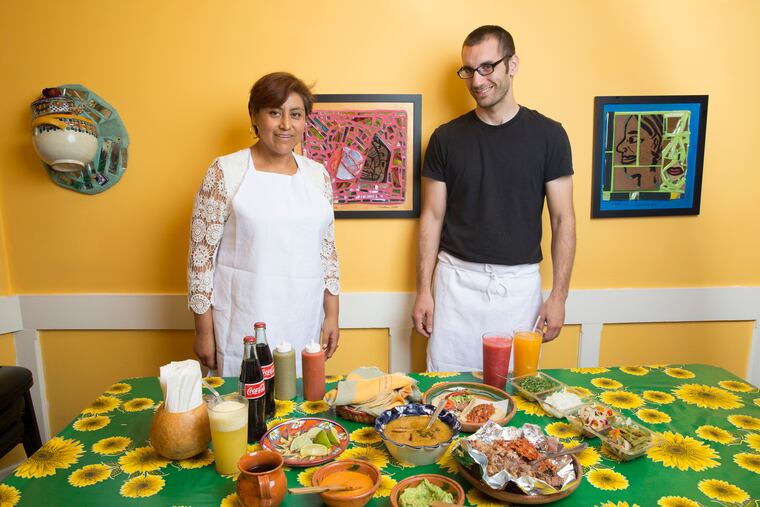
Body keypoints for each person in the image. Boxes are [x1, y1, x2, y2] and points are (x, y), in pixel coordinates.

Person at [412, 25, 576, 372]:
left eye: (487, 67)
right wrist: (423, 290)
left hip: (519, 289)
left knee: (515, 396)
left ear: (512, 65)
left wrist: (559, 296)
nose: (476, 80)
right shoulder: (445, 139)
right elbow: (431, 217)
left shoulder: (550, 136)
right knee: (446, 395)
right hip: (455, 284)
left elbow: (563, 219)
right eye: (468, 70)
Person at [187, 72, 340, 376]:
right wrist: (203, 332)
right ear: (255, 117)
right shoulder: (225, 172)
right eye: (274, 113)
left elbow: (327, 253)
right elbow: (200, 262)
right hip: (242, 320)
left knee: (295, 405)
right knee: (246, 407)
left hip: (302, 317)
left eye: (295, 115)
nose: (286, 125)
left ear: (305, 120)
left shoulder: (317, 175)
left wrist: (332, 315)